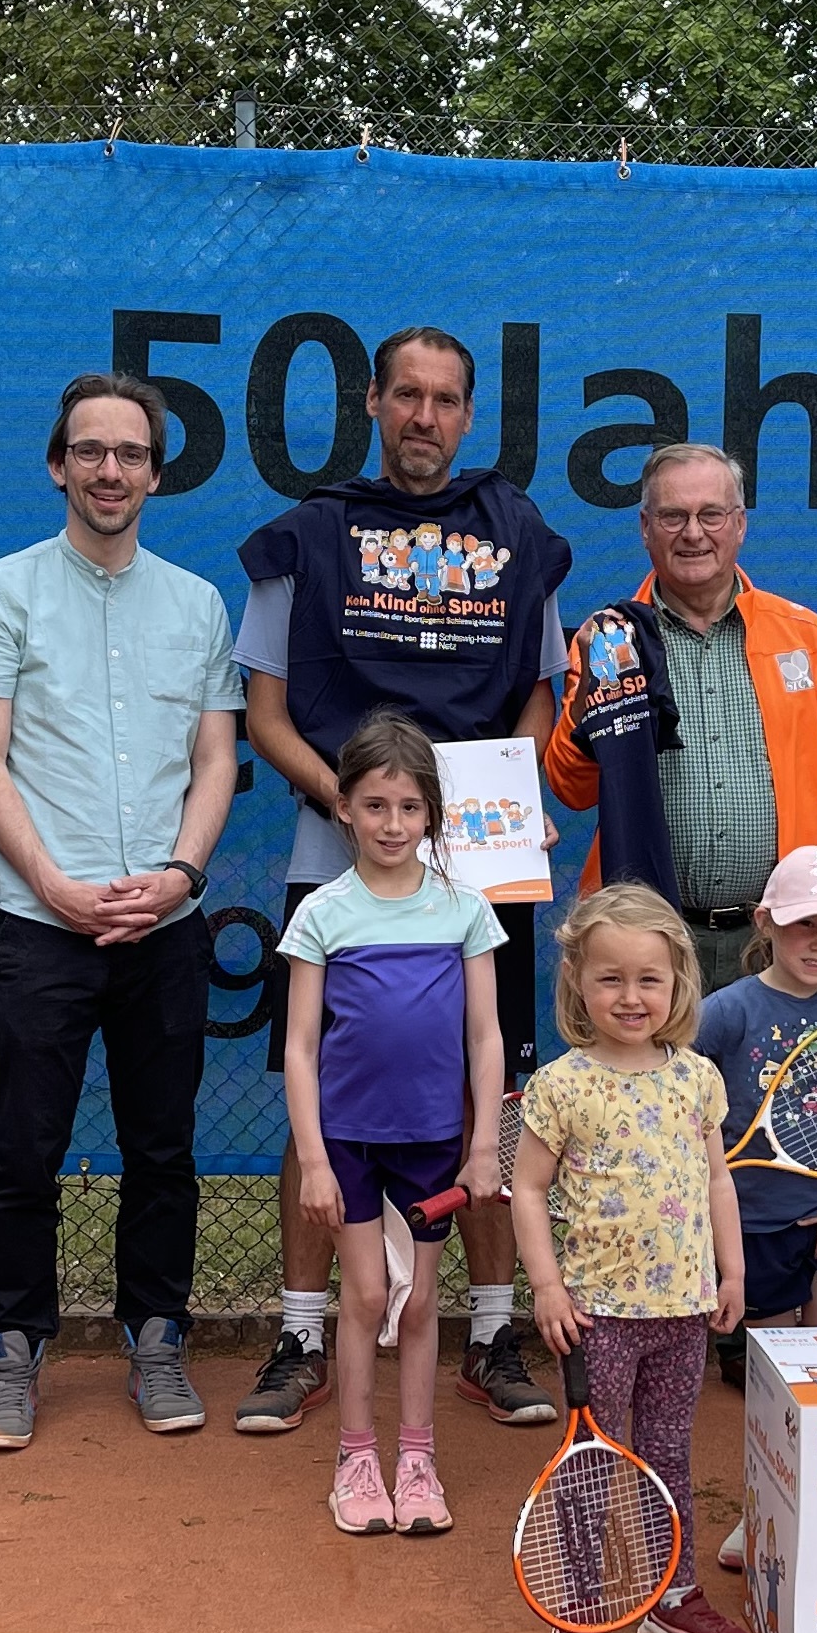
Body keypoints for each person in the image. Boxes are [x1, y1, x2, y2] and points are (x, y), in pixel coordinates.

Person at [236, 326, 572, 1438]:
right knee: (319, 1106)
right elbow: (269, 716)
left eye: (446, 401)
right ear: (373, 404)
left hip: (473, 875)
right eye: (407, 397)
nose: (425, 418)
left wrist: (484, 817)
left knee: (491, 1102)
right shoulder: (310, 536)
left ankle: (487, 1332)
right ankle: (297, 1331)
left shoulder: (515, 535)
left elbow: (537, 693)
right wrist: (353, 808)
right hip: (340, 864)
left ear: (469, 416)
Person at [0, 373, 245, 1452]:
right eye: (89, 451)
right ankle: (10, 1358)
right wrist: (56, 887)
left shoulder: (198, 604)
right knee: (22, 1149)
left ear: (157, 473)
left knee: (160, 1148)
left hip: (165, 930)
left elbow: (216, 761)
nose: (108, 470)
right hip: (40, 927)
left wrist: (180, 876)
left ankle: (156, 1342)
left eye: (129, 453)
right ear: (56, 464)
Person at [513, 883, 757, 1633]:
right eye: (610, 977)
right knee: (593, 1459)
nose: (630, 995)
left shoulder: (696, 1080)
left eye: (648, 979)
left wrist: (733, 1268)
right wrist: (548, 1287)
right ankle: (580, 1609)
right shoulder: (562, 1084)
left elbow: (718, 1182)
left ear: (678, 984)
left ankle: (672, 1598)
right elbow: (528, 1190)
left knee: (668, 1456)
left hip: (683, 1313)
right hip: (597, 1318)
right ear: (578, 982)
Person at [277, 714, 507, 1538]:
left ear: (433, 815)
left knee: (418, 1308)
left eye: (409, 808)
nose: (392, 825)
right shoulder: (322, 915)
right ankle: (355, 1461)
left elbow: (485, 1037)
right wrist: (312, 1161)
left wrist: (481, 1147)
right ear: (343, 808)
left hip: (435, 1141)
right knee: (368, 1294)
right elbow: (300, 1050)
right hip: (346, 1141)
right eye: (375, 806)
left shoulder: (465, 910)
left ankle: (417, 1459)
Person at [542, 441, 817, 997]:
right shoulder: (612, 638)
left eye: (710, 514)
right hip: (648, 940)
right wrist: (586, 709)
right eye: (673, 516)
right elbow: (571, 789)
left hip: (778, 940)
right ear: (646, 528)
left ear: (739, 525)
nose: (693, 533)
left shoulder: (807, 638)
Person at [697, 845, 817, 1339]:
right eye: (805, 923)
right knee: (773, 1374)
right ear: (766, 921)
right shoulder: (724, 1011)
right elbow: (686, 1102)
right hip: (756, 1222)